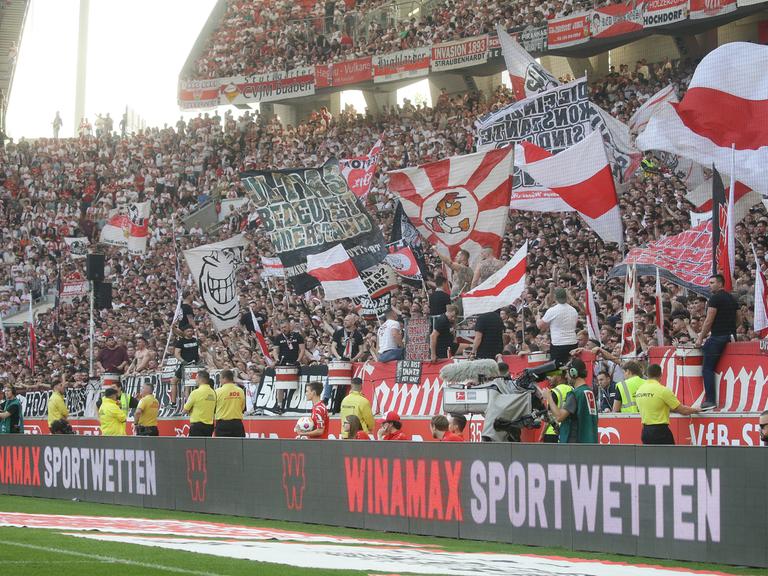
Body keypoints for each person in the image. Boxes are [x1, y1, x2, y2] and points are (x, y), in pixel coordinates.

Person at [696, 274, 739, 411]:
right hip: (731, 336)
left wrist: (700, 338)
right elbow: (739, 318)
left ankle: (710, 400)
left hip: (718, 337)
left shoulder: (715, 299)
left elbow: (709, 320)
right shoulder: (732, 298)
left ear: (720, 284)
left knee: (707, 368)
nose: (710, 285)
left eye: (712, 282)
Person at [635, 364, 700, 445]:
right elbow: (683, 410)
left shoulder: (639, 390)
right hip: (660, 431)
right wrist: (695, 409)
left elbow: (654, 406)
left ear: (647, 374)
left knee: (650, 457)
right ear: (660, 374)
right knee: (669, 456)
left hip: (645, 431)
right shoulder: (662, 390)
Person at [544, 358, 598, 444]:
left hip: (575, 445)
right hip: (590, 442)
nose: (565, 376)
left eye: (567, 373)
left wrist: (549, 397)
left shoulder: (575, 394)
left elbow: (559, 416)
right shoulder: (589, 391)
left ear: (573, 373)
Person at [536, 288, 578, 364]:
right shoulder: (573, 310)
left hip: (559, 344)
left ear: (555, 297)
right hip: (573, 343)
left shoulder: (553, 310)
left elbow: (540, 326)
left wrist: (537, 317)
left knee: (556, 370)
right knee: (571, 366)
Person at [272, 320, 306, 412]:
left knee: (297, 383)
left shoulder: (297, 336)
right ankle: (279, 405)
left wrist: (298, 360)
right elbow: (275, 351)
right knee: (280, 385)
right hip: (283, 364)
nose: (283, 329)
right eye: (282, 328)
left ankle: (295, 405)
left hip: (294, 363)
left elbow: (302, 349)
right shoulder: (278, 338)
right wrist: (277, 360)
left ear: (290, 327)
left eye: (285, 327)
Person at [433, 247, 472, 314]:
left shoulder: (462, 268)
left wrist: (437, 251)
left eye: (458, 256)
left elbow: (449, 263)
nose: (456, 257)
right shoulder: (468, 270)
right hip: (461, 297)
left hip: (458, 297)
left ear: (463, 257)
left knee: (456, 318)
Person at [183, 370, 216, 437]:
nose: (195, 380)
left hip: (197, 426)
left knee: (195, 446)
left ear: (201, 379)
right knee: (206, 446)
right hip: (209, 426)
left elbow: (185, 410)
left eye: (196, 378)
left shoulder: (195, 393)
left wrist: (190, 411)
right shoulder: (213, 393)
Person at [173, 326, 200, 405]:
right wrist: (183, 361)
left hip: (193, 365)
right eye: (188, 331)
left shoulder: (196, 340)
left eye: (191, 331)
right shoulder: (181, 341)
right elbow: (176, 354)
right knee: (174, 381)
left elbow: (201, 350)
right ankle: (173, 402)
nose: (190, 332)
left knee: (187, 386)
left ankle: (188, 405)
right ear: (184, 332)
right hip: (185, 365)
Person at [215, 369, 246, 437]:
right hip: (237, 424)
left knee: (222, 446)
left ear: (225, 378)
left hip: (222, 424)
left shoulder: (218, 392)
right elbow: (242, 407)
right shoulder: (240, 391)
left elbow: (214, 408)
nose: (219, 380)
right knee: (238, 446)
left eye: (220, 378)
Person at [542, 377, 573, 443]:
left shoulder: (552, 392)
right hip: (567, 431)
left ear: (559, 377)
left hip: (551, 432)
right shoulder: (573, 389)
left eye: (552, 376)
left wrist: (542, 434)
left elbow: (549, 417)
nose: (549, 379)